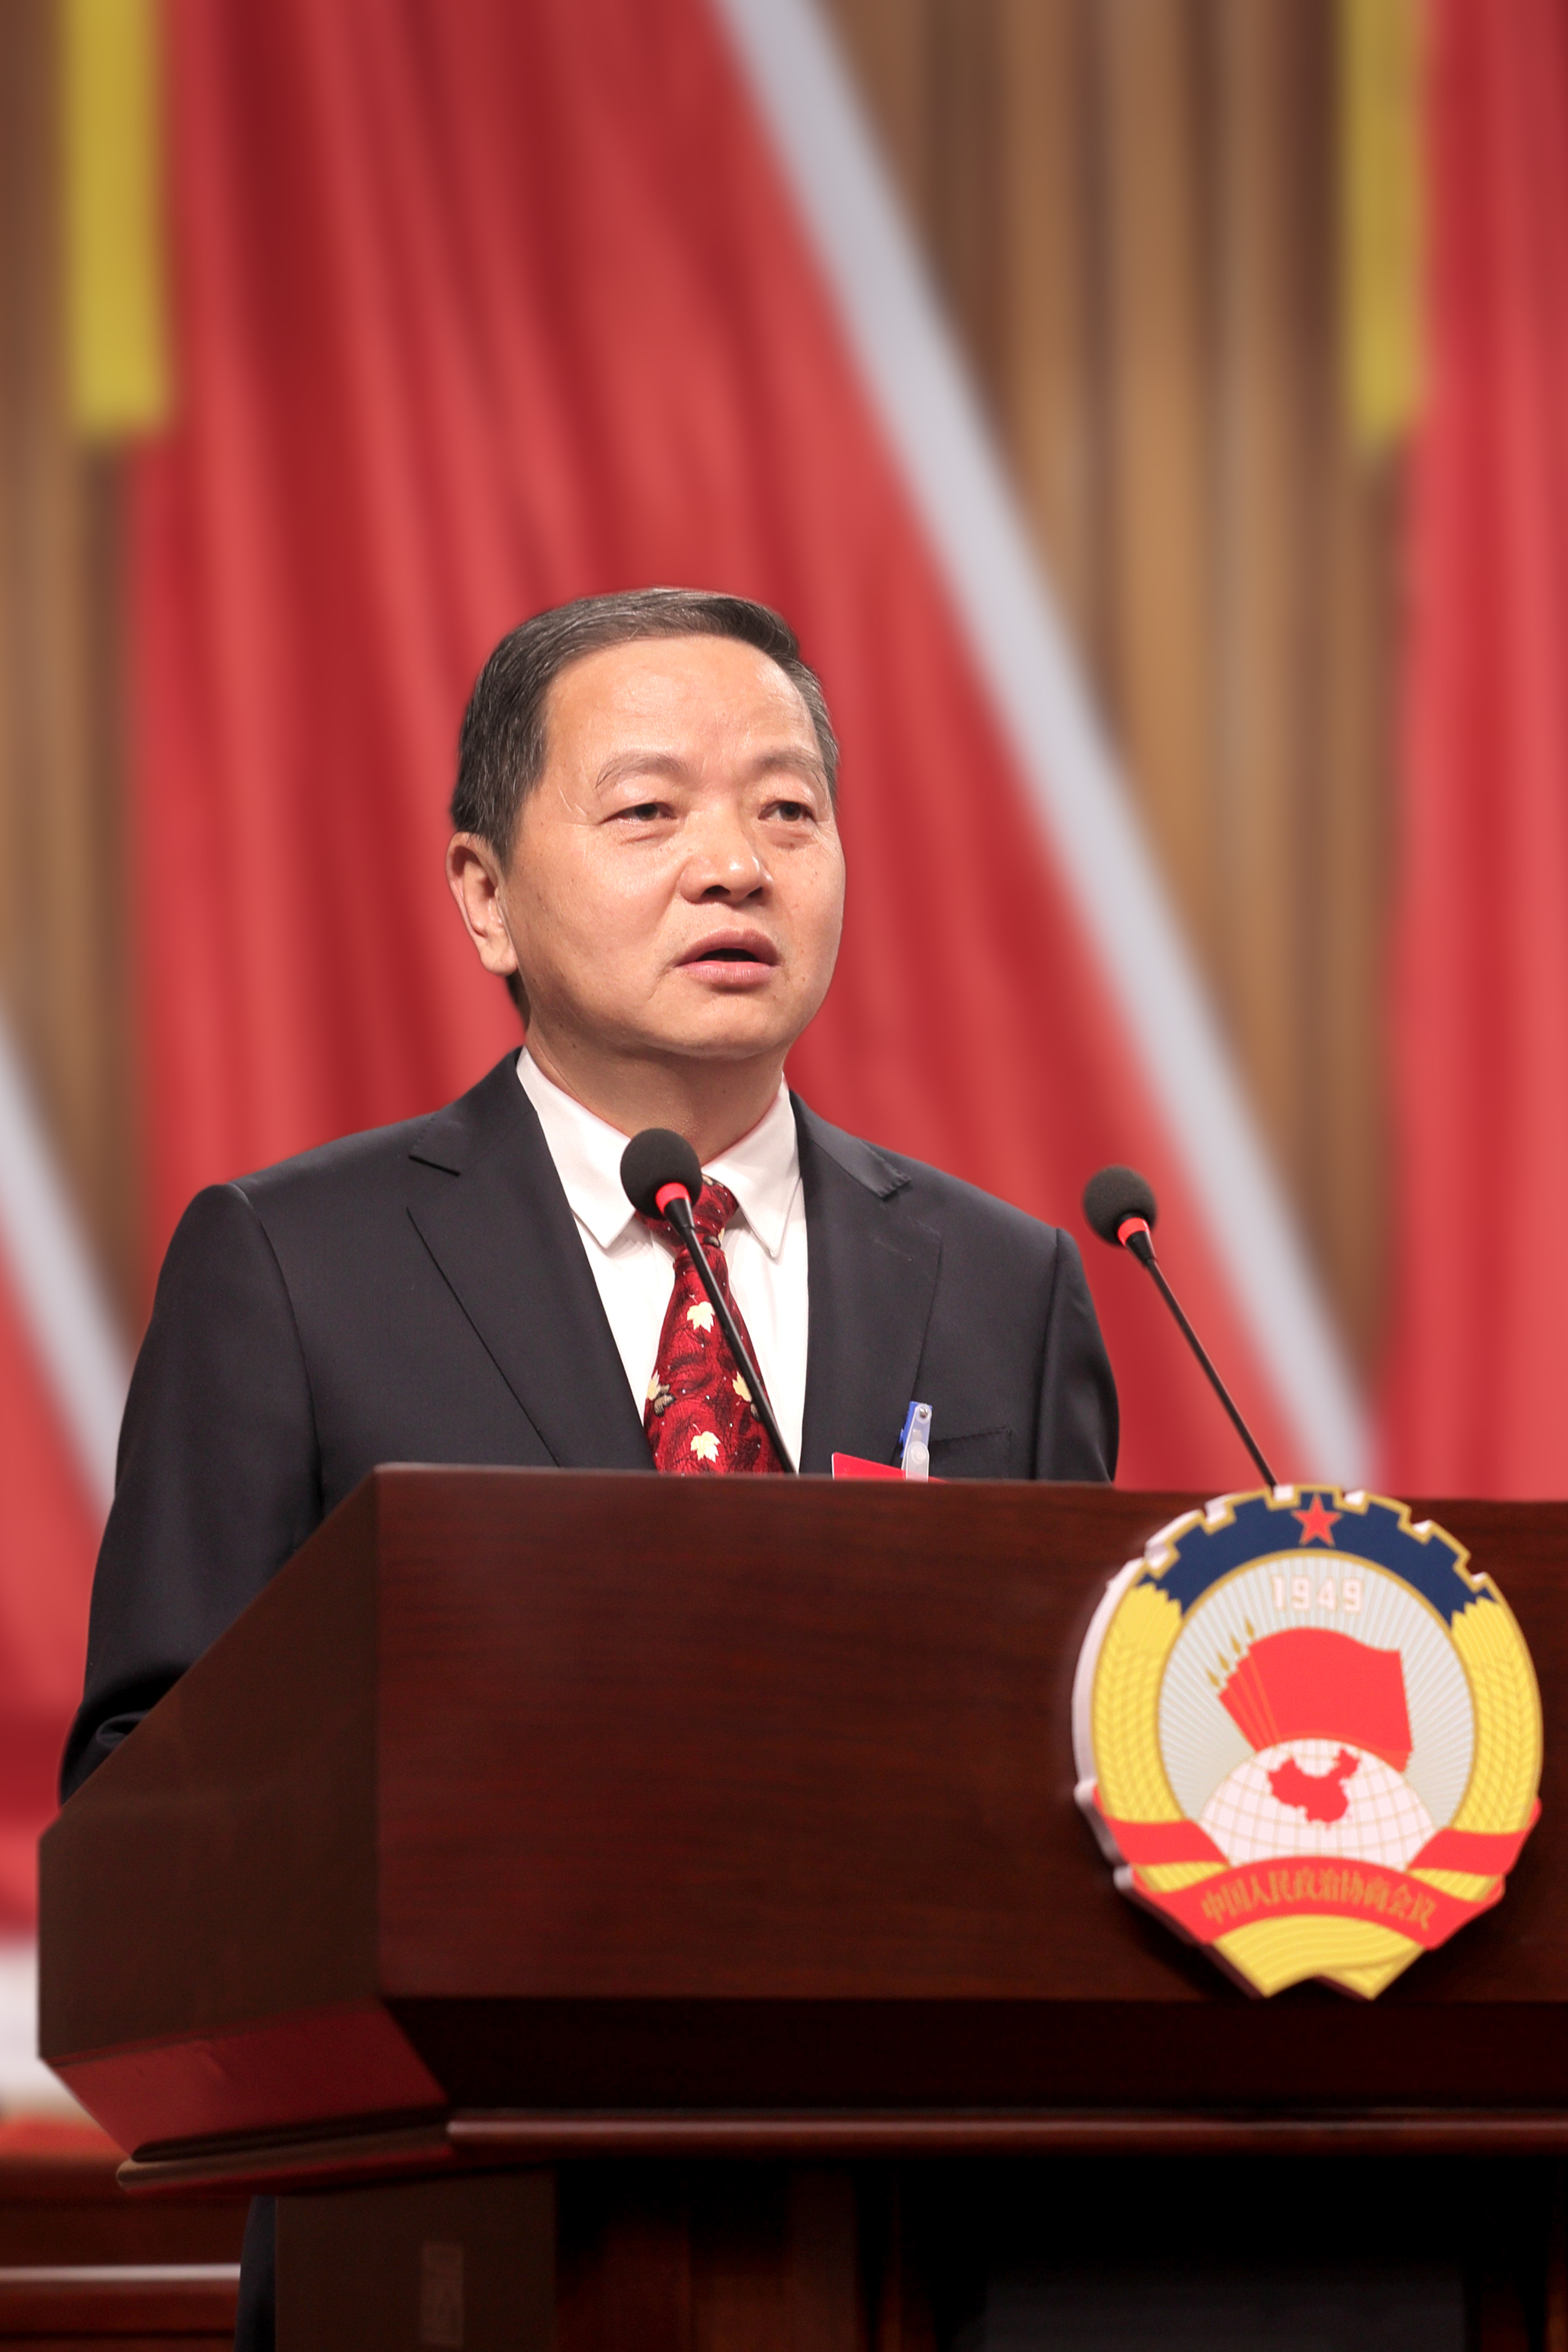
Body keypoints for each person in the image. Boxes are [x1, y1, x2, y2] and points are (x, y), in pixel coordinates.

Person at [59, 588, 1118, 2350]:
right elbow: (142, 1786)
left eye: (787, 810)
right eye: (649, 810)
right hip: (437, 2234)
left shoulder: (1004, 1285)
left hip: (903, 2240)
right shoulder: (295, 1264)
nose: (735, 866)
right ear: (483, 893)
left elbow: (1072, 1765)